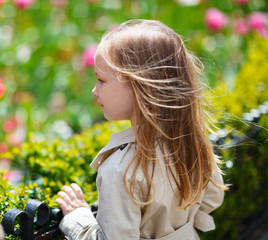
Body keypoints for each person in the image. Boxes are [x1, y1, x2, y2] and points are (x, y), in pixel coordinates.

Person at [56, 19, 227, 240]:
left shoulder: (120, 169)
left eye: (101, 80)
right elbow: (213, 197)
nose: (94, 91)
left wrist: (77, 217)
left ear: (140, 86)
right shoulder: (191, 141)